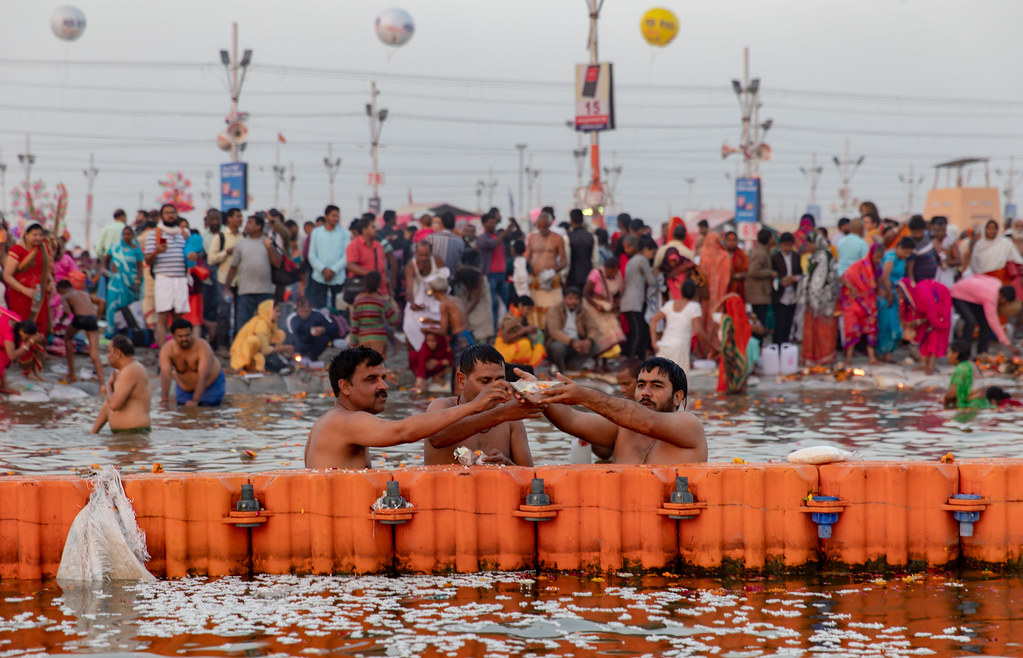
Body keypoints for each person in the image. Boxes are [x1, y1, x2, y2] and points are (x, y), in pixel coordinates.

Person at [304, 346, 510, 469]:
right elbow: (404, 431)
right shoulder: (342, 421)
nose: (383, 386)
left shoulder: (332, 420)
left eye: (383, 378)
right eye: (371, 379)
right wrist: (475, 406)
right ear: (345, 386)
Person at [530, 357, 707, 464]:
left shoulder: (690, 425)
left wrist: (584, 395)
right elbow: (570, 420)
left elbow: (649, 422)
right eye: (641, 385)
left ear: (677, 397)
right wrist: (532, 388)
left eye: (656, 386)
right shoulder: (622, 429)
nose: (645, 392)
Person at [423, 344, 538, 466]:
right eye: (485, 381)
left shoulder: (511, 420)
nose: (495, 387)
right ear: (461, 380)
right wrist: (499, 415)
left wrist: (505, 463)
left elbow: (530, 477)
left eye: (500, 380)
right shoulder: (441, 406)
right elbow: (437, 438)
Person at [403, 242, 451, 393]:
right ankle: (419, 372)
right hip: (420, 304)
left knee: (441, 337)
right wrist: (411, 302)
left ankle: (437, 373)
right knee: (409, 328)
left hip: (437, 303)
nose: (423, 258)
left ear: (430, 254)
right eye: (420, 255)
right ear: (415, 254)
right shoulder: (411, 266)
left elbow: (444, 284)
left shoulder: (438, 263)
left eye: (426, 255)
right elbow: (409, 288)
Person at [225, 214, 281, 335]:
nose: (246, 225)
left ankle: (267, 350)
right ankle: (242, 351)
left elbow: (277, 263)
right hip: (245, 291)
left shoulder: (267, 243)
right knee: (244, 325)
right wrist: (226, 287)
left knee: (267, 323)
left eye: (250, 222)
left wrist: (269, 248)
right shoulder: (241, 244)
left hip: (265, 291)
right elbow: (233, 267)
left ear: (259, 226)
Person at [143, 204, 191, 346]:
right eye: (167, 213)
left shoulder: (184, 233)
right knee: (163, 316)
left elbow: (194, 252)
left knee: (178, 317)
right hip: (164, 279)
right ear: (162, 215)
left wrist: (195, 255)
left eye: (173, 212)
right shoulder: (155, 234)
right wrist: (156, 252)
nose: (170, 215)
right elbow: (147, 259)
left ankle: (177, 349)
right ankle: (164, 350)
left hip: (181, 279)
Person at [91, 335, 152, 434]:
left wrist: (108, 388)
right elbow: (108, 404)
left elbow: (115, 405)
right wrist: (93, 433)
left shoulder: (131, 370)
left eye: (109, 351)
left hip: (134, 436)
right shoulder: (124, 371)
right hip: (123, 436)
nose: (108, 356)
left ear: (118, 353)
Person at [950, 273, 1020, 358]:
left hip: (969, 294)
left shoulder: (997, 282)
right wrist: (1008, 345)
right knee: (970, 321)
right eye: (1005, 303)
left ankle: (982, 352)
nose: (1003, 304)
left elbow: (978, 276)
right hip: (957, 294)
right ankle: (964, 354)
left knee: (985, 322)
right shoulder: (991, 298)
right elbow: (995, 324)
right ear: (1003, 297)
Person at [159, 318, 225, 407]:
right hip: (184, 390)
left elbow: (203, 377)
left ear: (192, 333)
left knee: (208, 411)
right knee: (182, 413)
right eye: (180, 336)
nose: (184, 339)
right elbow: (166, 376)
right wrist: (164, 400)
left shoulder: (202, 347)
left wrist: (195, 401)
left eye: (187, 335)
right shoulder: (167, 350)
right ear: (173, 336)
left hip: (210, 386)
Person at [797, 233, 839, 367]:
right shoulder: (814, 257)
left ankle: (823, 356)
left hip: (823, 301)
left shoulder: (824, 257)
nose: (807, 246)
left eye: (809, 244)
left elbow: (819, 281)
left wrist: (813, 297)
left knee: (823, 329)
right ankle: (813, 356)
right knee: (813, 328)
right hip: (813, 301)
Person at [3, 223, 52, 336]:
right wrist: (25, 290)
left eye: (40, 235)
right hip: (20, 296)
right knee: (22, 327)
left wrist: (51, 282)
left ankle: (37, 352)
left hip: (38, 295)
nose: (38, 238)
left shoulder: (42, 249)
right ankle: (21, 352)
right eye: (34, 235)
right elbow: (7, 276)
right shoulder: (17, 250)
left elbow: (45, 268)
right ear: (26, 234)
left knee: (39, 327)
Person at [839, 243, 883, 366]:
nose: (878, 260)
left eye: (880, 257)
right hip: (854, 301)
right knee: (852, 328)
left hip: (870, 302)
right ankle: (848, 358)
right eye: (877, 257)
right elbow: (844, 277)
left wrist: (881, 292)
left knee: (871, 329)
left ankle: (871, 358)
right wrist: (852, 288)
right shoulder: (860, 265)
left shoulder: (878, 268)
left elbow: (877, 284)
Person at [896, 277, 951, 375]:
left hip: (939, 301)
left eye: (900, 292)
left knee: (934, 334)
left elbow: (932, 316)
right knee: (923, 334)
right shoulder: (909, 298)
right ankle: (924, 363)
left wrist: (918, 322)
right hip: (929, 308)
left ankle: (931, 364)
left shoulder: (922, 295)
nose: (900, 295)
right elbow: (907, 314)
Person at [650, 279, 708, 372]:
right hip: (680, 348)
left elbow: (653, 320)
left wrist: (654, 342)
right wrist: (710, 347)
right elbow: (698, 331)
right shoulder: (694, 307)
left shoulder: (670, 304)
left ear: (681, 292)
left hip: (664, 346)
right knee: (678, 382)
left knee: (661, 381)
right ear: (694, 293)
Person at [422, 277, 475, 379]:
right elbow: (455, 322)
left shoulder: (444, 303)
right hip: (468, 335)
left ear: (434, 291)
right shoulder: (456, 299)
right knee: (465, 370)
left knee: (460, 373)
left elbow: (443, 331)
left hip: (460, 339)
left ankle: (458, 394)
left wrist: (427, 330)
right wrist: (434, 322)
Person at [56, 279, 104, 386]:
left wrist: (61, 320)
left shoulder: (65, 296)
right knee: (94, 352)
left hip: (80, 318)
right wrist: (98, 316)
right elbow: (102, 302)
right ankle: (102, 383)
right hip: (91, 319)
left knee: (68, 339)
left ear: (61, 290)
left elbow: (67, 312)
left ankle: (72, 373)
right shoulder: (84, 293)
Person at [545, 286, 601, 373]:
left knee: (595, 346)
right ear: (564, 299)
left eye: (576, 299)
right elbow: (554, 332)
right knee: (558, 348)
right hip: (559, 342)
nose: (573, 302)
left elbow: (593, 328)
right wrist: (572, 342)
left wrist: (589, 341)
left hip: (578, 343)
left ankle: (572, 365)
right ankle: (561, 369)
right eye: (570, 298)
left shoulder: (583, 311)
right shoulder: (555, 310)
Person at [525, 212, 566, 327]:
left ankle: (552, 334)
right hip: (535, 280)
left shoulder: (557, 238)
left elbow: (564, 262)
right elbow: (528, 257)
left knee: (553, 309)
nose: (542, 229)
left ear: (549, 225)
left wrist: (553, 271)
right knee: (535, 312)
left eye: (545, 227)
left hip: (551, 281)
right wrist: (524, 272)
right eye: (540, 226)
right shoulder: (532, 238)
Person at [209, 207, 242, 352]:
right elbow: (211, 259)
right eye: (237, 216)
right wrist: (226, 253)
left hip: (241, 281)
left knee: (240, 314)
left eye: (241, 216)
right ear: (229, 219)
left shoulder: (243, 237)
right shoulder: (220, 237)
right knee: (224, 313)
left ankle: (237, 344)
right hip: (224, 282)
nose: (240, 219)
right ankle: (222, 345)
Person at [877, 237, 914, 361]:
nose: (907, 255)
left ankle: (889, 353)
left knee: (895, 324)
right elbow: (885, 276)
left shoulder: (901, 259)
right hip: (886, 294)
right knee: (885, 324)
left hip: (896, 293)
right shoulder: (890, 257)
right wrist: (889, 293)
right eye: (906, 252)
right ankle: (881, 352)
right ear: (899, 248)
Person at [103, 226, 144, 339]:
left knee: (127, 307)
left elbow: (140, 267)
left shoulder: (136, 250)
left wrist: (138, 281)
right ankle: (111, 332)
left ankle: (126, 332)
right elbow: (106, 261)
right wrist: (107, 272)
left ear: (133, 236)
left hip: (130, 283)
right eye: (124, 234)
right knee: (112, 306)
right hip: (115, 282)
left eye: (129, 234)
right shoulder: (115, 248)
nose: (126, 236)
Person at [621, 236, 658, 359]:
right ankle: (631, 361)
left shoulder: (632, 260)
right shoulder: (642, 260)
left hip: (629, 302)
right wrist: (656, 273)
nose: (652, 256)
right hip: (633, 302)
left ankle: (638, 360)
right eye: (652, 253)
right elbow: (652, 281)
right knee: (638, 333)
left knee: (639, 332)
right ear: (646, 249)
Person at [231, 299, 292, 373]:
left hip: (258, 353)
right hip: (243, 356)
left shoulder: (270, 323)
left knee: (280, 334)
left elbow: (275, 340)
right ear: (268, 311)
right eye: (276, 311)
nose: (279, 314)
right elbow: (265, 350)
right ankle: (240, 366)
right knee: (253, 341)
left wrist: (285, 352)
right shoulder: (262, 324)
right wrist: (283, 348)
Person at [307, 204, 349, 310]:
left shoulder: (343, 234)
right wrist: (323, 270)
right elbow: (311, 255)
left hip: (337, 277)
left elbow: (347, 255)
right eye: (333, 216)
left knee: (338, 310)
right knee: (319, 310)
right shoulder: (316, 233)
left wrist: (333, 270)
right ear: (326, 216)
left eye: (337, 216)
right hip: (319, 277)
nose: (336, 219)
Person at [350, 271, 400, 358]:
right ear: (379, 284)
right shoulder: (382, 301)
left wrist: (353, 342)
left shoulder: (358, 302)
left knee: (366, 365)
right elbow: (393, 321)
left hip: (363, 338)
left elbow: (354, 326)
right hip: (379, 338)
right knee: (378, 365)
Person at [583, 258, 626, 359]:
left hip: (608, 308)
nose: (614, 274)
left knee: (613, 336)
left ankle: (605, 363)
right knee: (600, 335)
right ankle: (597, 364)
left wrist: (616, 303)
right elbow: (585, 293)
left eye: (615, 272)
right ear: (607, 269)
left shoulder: (617, 275)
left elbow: (618, 293)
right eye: (612, 271)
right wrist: (596, 305)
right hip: (593, 308)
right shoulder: (596, 274)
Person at [713, 293, 753, 394]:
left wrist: (724, 298)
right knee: (740, 392)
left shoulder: (724, 319)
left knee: (725, 390)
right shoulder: (745, 322)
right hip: (741, 359)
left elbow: (712, 312)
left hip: (727, 358)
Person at [477, 212, 509, 330]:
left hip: (502, 275)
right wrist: (505, 233)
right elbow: (491, 245)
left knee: (507, 302)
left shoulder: (499, 236)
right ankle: (494, 330)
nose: (494, 225)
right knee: (493, 305)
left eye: (494, 222)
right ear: (484, 224)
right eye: (491, 223)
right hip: (490, 275)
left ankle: (508, 327)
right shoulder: (482, 238)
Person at [494, 296, 546, 367]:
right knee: (525, 344)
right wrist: (524, 330)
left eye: (530, 310)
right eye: (528, 309)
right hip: (503, 348)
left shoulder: (518, 315)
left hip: (510, 344)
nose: (529, 312)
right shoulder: (512, 317)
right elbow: (505, 338)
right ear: (520, 305)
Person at [698, 232, 731, 341]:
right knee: (716, 315)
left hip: (705, 293)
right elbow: (728, 276)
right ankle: (716, 344)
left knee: (705, 316)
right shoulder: (724, 256)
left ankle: (704, 347)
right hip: (719, 293)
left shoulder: (704, 254)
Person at [970, 219, 1022, 284]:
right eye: (989, 228)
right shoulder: (978, 246)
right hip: (982, 280)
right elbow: (974, 265)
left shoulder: (1005, 243)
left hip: (1001, 279)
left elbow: (1017, 259)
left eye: (994, 228)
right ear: (985, 230)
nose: (992, 231)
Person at [346, 217, 388, 296]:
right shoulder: (354, 245)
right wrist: (370, 275)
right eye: (373, 227)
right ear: (364, 230)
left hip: (381, 292)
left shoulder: (378, 245)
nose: (376, 229)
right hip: (362, 292)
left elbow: (383, 268)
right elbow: (350, 265)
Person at [943, 339, 991, 409]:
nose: (947, 356)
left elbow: (952, 394)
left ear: (956, 354)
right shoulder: (972, 364)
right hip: (983, 405)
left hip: (970, 407)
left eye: (949, 352)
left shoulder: (961, 368)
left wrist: (944, 401)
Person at [746, 228, 776, 334]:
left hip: (760, 294)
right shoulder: (760, 253)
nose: (774, 239)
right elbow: (753, 271)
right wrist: (769, 273)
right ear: (768, 239)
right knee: (758, 325)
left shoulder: (763, 251)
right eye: (772, 237)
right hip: (758, 295)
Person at [454, 266, 494, 344]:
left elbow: (476, 299)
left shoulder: (479, 279)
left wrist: (467, 312)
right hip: (469, 303)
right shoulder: (463, 275)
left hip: (480, 304)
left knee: (483, 324)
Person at [566, 208, 597, 290]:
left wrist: (563, 278)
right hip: (588, 275)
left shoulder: (568, 237)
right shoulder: (592, 237)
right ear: (583, 219)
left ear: (571, 220)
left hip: (572, 276)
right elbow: (595, 260)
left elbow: (567, 260)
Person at [931, 216, 961, 289]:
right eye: (937, 231)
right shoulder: (932, 242)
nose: (940, 233)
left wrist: (946, 262)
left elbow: (958, 261)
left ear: (945, 230)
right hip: (935, 274)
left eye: (942, 230)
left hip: (947, 274)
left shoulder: (951, 242)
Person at [723, 231, 748, 299]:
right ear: (725, 241)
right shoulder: (721, 255)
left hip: (739, 290)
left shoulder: (742, 255)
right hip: (724, 289)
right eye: (729, 240)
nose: (731, 243)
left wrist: (739, 276)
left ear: (737, 241)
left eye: (733, 240)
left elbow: (748, 272)